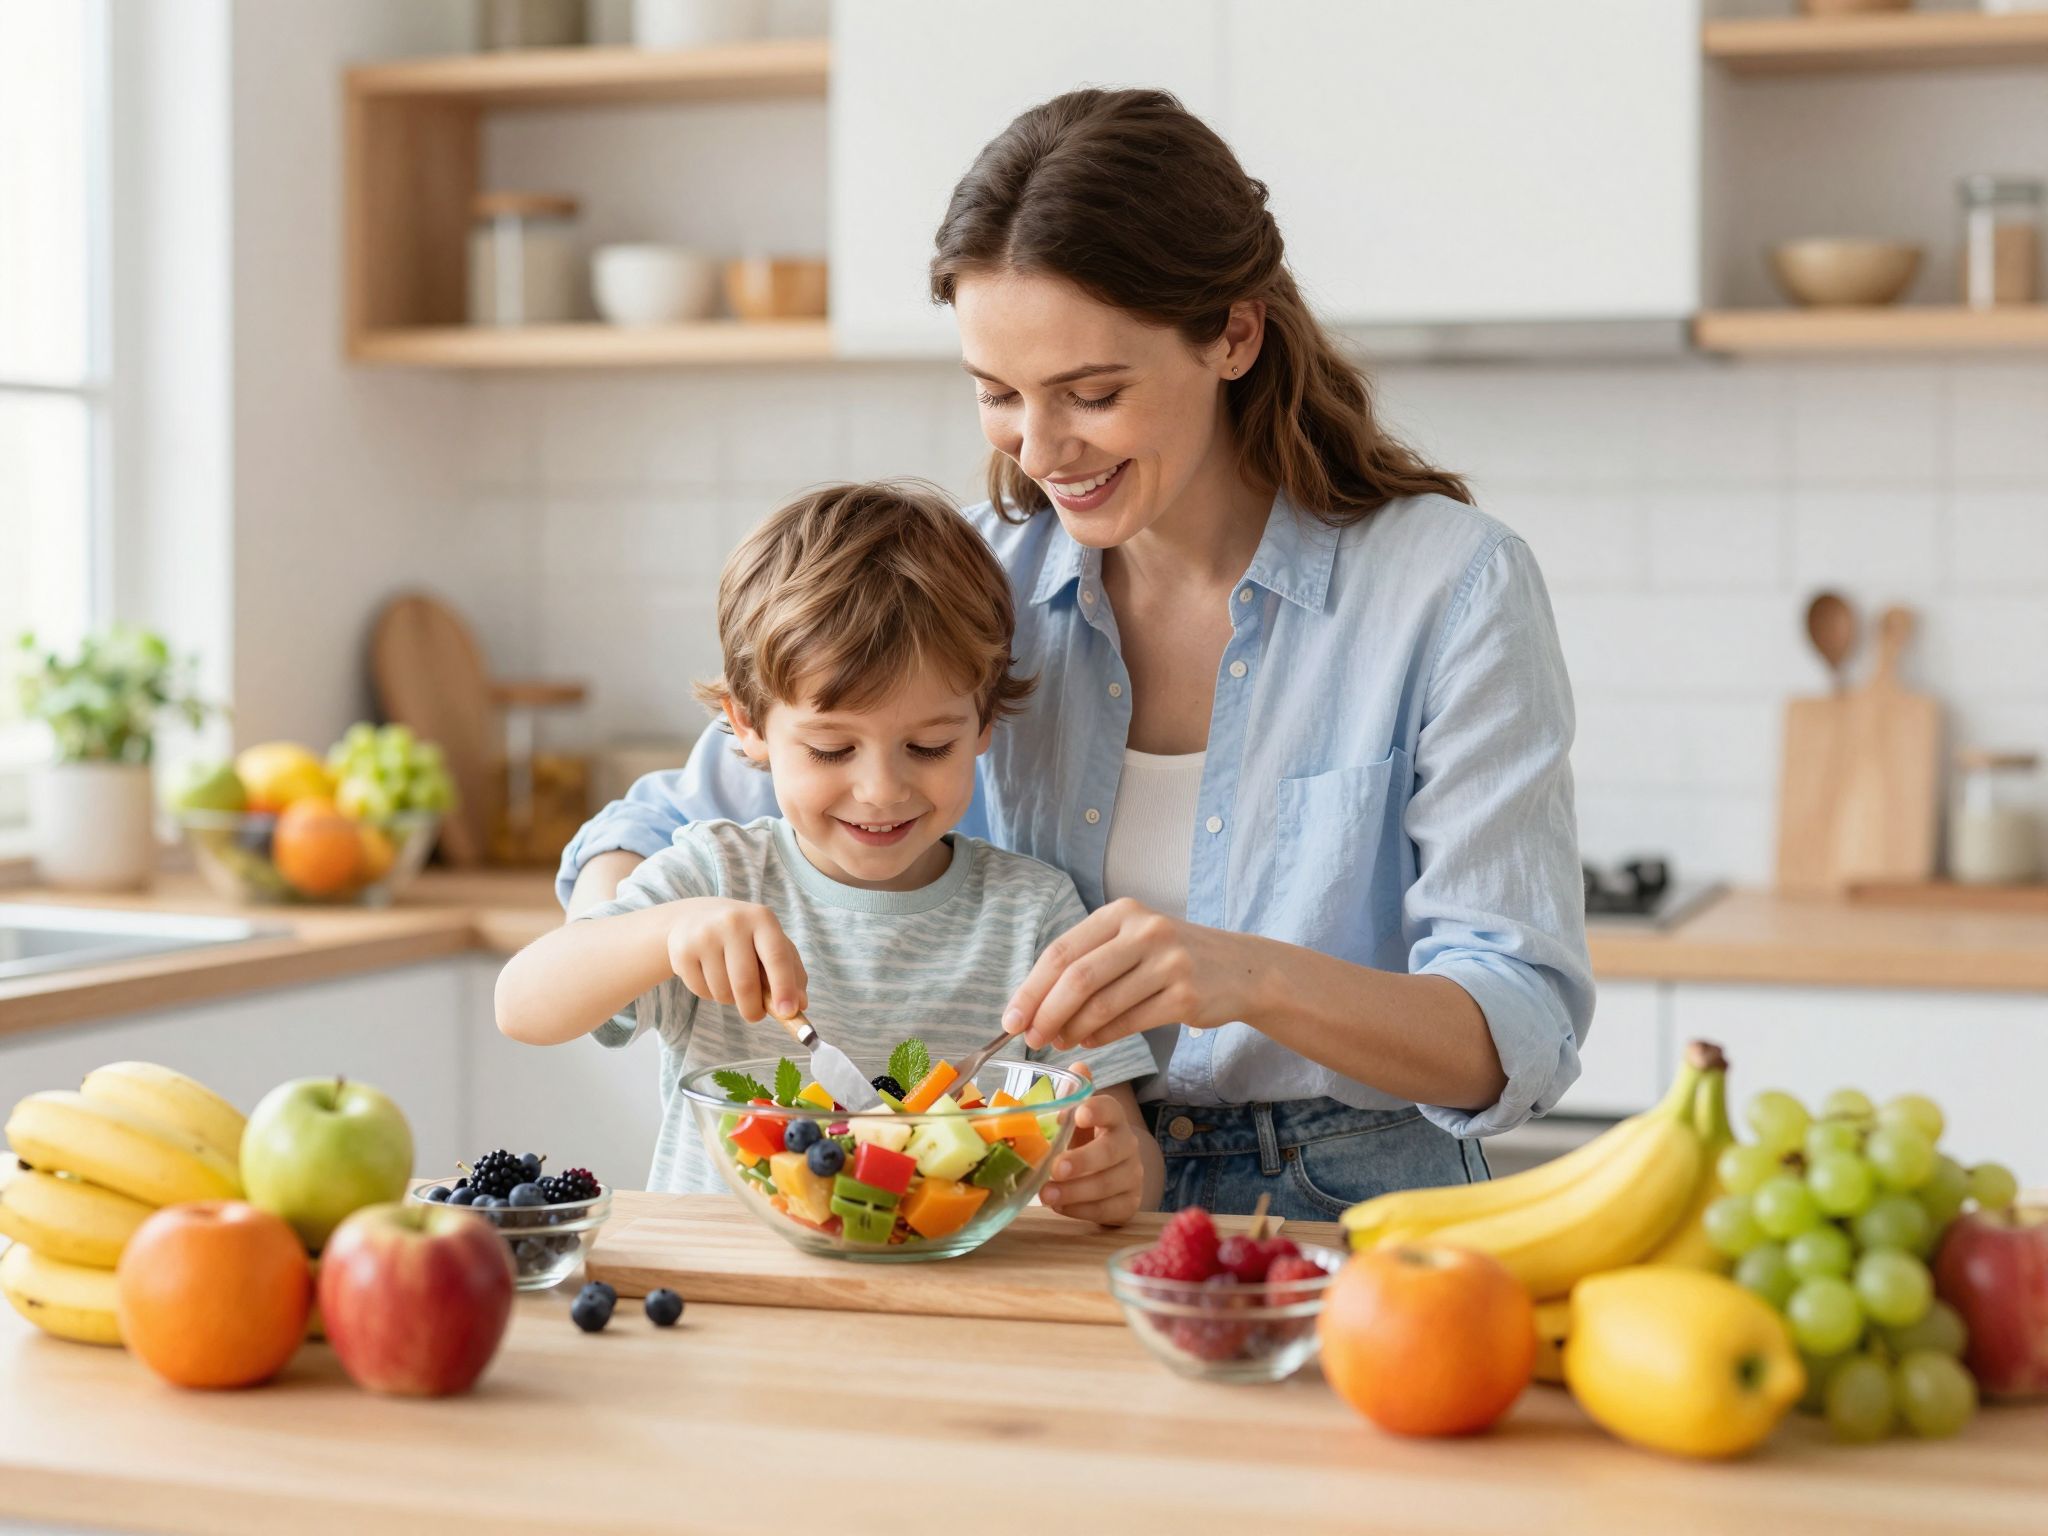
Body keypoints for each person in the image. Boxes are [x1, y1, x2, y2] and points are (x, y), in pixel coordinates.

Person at [555, 89, 1594, 1221]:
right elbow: (642, 838)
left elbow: (1518, 1028)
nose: (1041, 450)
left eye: (1091, 394)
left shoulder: (1448, 587)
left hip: (1349, 1197)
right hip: (1034, 1204)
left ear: (1234, 335)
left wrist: (1254, 977)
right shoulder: (963, 582)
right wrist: (658, 927)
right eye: (998, 395)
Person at [498, 481, 1160, 1223]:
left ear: (983, 723)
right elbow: (522, 1006)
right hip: (720, 1279)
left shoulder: (1034, 915)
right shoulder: (715, 877)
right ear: (747, 726)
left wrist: (1116, 1170)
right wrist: (665, 931)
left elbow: (1124, 1141)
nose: (880, 790)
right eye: (832, 749)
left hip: (950, 1280)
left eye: (928, 746)